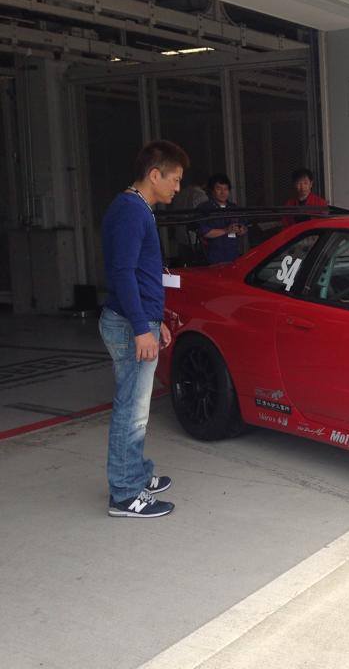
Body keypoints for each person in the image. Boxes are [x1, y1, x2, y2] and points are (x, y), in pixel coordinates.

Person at [100, 140, 188, 518]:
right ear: (155, 175)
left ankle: (134, 474)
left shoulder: (137, 209)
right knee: (131, 411)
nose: (178, 187)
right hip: (128, 324)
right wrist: (140, 327)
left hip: (137, 320)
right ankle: (125, 494)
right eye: (175, 179)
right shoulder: (131, 212)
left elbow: (140, 273)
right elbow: (122, 273)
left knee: (136, 409)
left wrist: (156, 320)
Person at [198, 173, 246, 264]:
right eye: (219, 189)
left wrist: (241, 230)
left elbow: (244, 227)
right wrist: (226, 230)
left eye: (226, 189)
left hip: (234, 257)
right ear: (212, 190)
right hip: (213, 258)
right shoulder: (205, 208)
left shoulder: (233, 207)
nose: (223, 192)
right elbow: (205, 232)